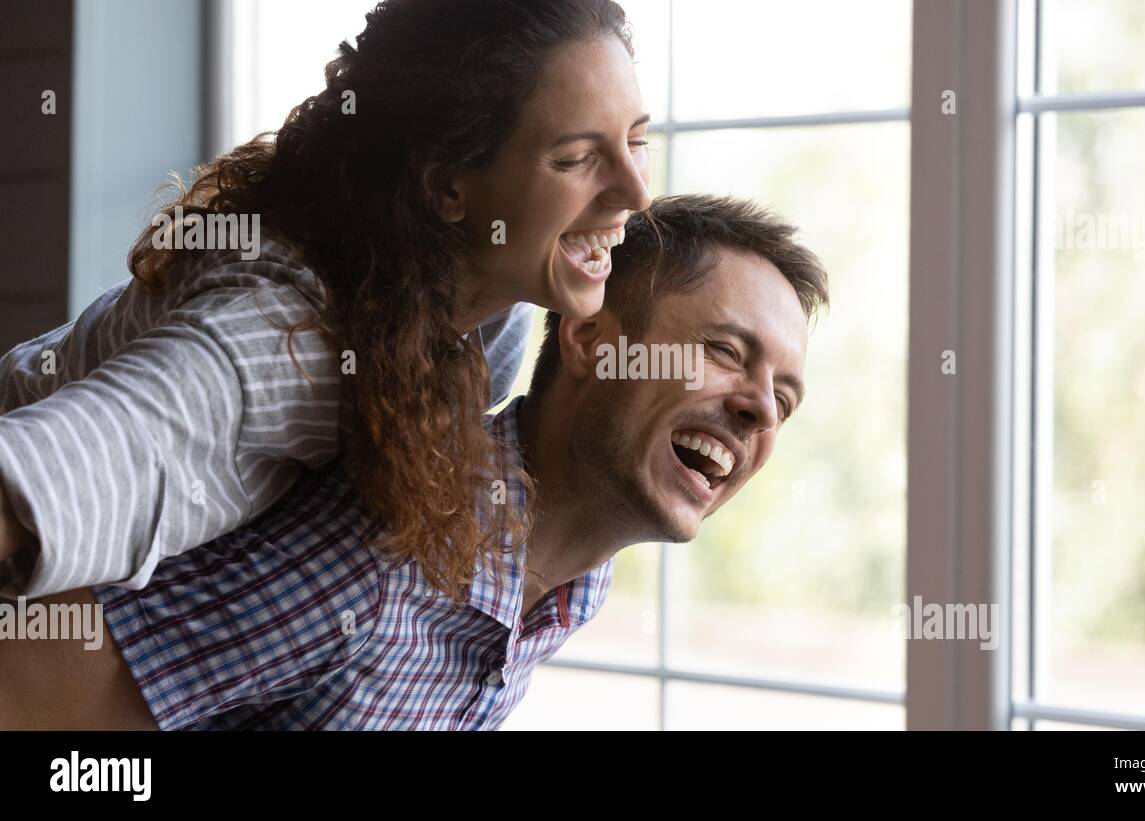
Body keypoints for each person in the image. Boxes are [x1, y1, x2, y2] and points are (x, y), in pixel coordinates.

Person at [0, 194, 830, 730]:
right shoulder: (379, 545)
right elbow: (28, 697)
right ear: (588, 340)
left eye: (785, 398)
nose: (760, 407)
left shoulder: (574, 583)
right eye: (725, 350)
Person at [0, 0, 653, 604]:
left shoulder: (495, 314)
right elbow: (61, 466)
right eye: (576, 158)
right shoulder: (284, 347)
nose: (636, 191)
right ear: (448, 187)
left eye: (637, 142)